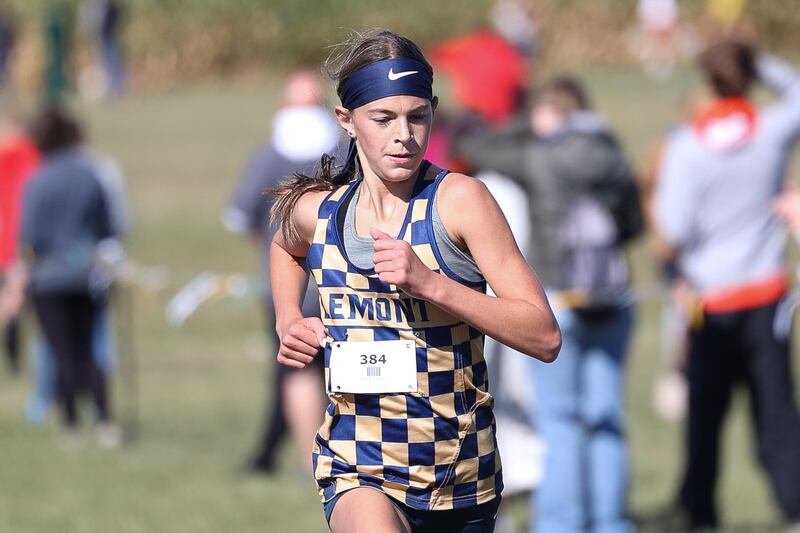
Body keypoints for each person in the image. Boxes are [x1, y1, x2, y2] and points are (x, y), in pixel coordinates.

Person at [269, 29, 561, 533]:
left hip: (461, 475)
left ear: (434, 111)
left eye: (417, 116)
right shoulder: (321, 212)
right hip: (357, 465)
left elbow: (544, 335)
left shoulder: (461, 202)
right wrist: (289, 317)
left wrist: (432, 285)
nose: (402, 134)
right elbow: (284, 244)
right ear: (348, 121)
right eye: (382, 119)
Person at [456, 76, 643, 533]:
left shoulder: (538, 155)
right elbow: (635, 225)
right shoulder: (611, 154)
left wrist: (528, 126)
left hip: (558, 297)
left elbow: (478, 147)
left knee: (559, 421)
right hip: (613, 297)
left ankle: (560, 524)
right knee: (605, 416)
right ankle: (611, 521)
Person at [653, 40, 800, 530]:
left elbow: (673, 231)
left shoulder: (687, 147)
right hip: (767, 296)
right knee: (777, 411)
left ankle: (700, 511)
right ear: (749, 76)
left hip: (709, 300)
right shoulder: (772, 131)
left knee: (705, 417)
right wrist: (762, 61)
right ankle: (793, 502)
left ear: (708, 81)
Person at [223, 71, 339, 474]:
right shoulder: (343, 150)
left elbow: (240, 218)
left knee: (298, 368)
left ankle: (315, 461)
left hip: (282, 281)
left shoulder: (269, 155)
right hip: (338, 278)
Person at [18, 105, 118, 447]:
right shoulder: (90, 175)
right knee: (90, 348)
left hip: (49, 280)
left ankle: (71, 424)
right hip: (88, 275)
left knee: (60, 351)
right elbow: (108, 227)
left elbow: (29, 236)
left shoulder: (37, 181)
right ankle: (105, 421)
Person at [0, 103, 40, 373]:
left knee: (12, 301)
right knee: (15, 302)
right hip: (20, 241)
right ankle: (15, 362)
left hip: (8, 238)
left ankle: (14, 362)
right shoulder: (34, 155)